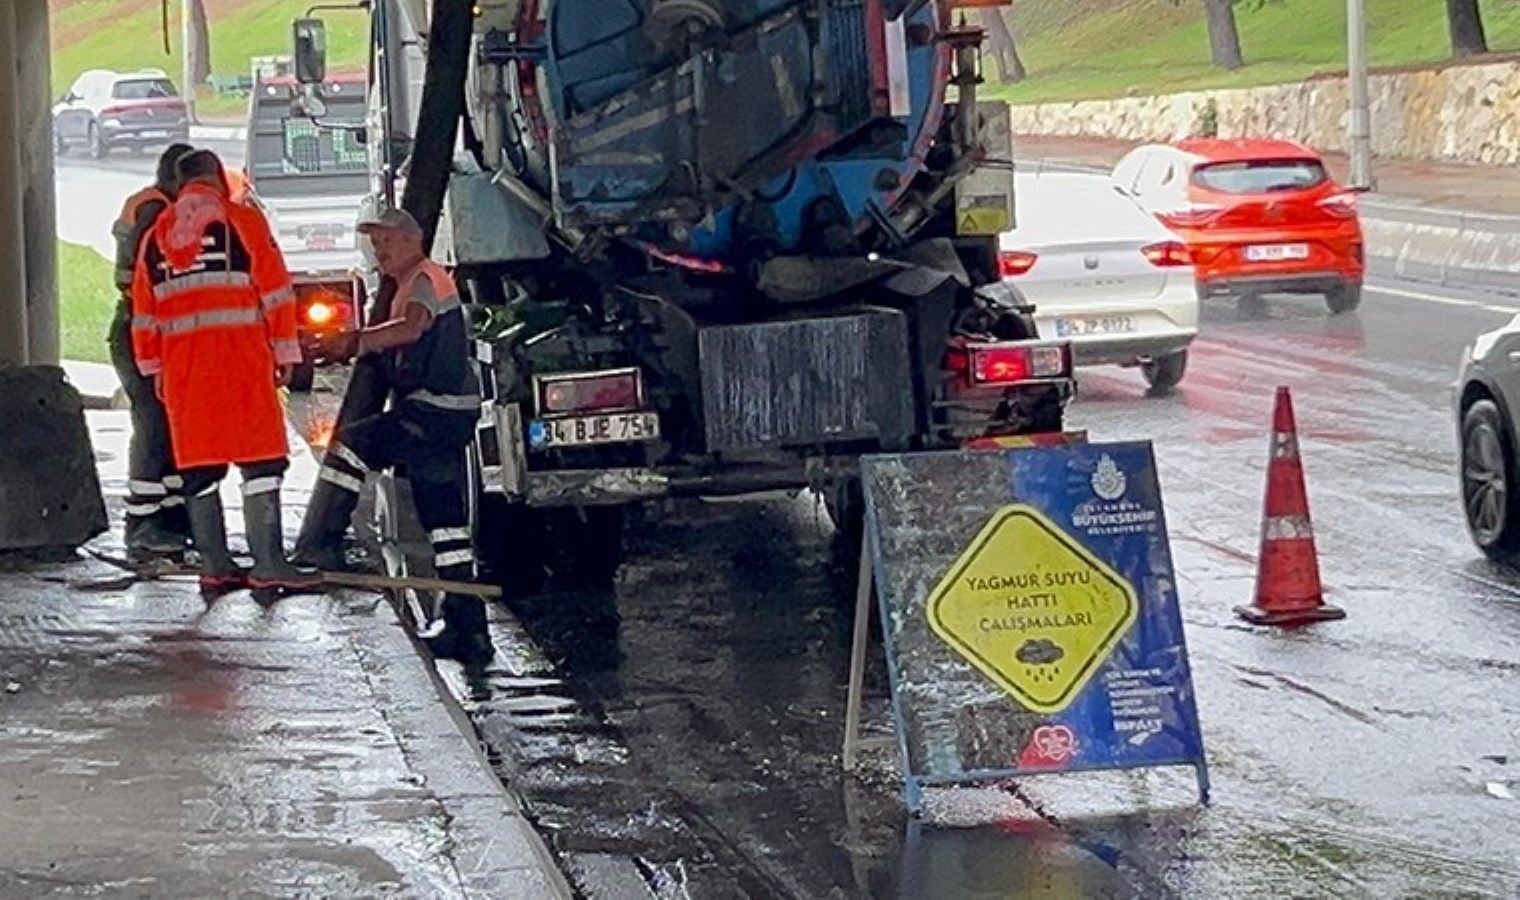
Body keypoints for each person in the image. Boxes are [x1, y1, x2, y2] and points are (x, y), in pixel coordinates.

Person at [296, 207, 493, 665]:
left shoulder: (425, 280)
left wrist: (357, 341)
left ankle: (326, 540)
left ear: (411, 240)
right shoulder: (414, 281)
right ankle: (470, 631)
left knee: (351, 446)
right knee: (445, 527)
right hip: (445, 413)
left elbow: (412, 328)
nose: (378, 250)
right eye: (374, 242)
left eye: (385, 241)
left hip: (433, 411)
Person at [130, 149, 321, 599]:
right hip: (241, 364)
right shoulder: (243, 222)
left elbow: (144, 310)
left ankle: (215, 565)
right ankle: (270, 564)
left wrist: (152, 365)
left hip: (185, 372)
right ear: (218, 180)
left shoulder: (157, 235)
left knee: (199, 468)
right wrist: (285, 348)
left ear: (180, 186)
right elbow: (275, 290)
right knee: (262, 463)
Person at [109, 142, 194, 562]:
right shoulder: (157, 212)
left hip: (144, 330)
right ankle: (143, 524)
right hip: (141, 333)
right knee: (154, 424)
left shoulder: (152, 205)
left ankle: (173, 516)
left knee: (168, 425)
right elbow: (150, 280)